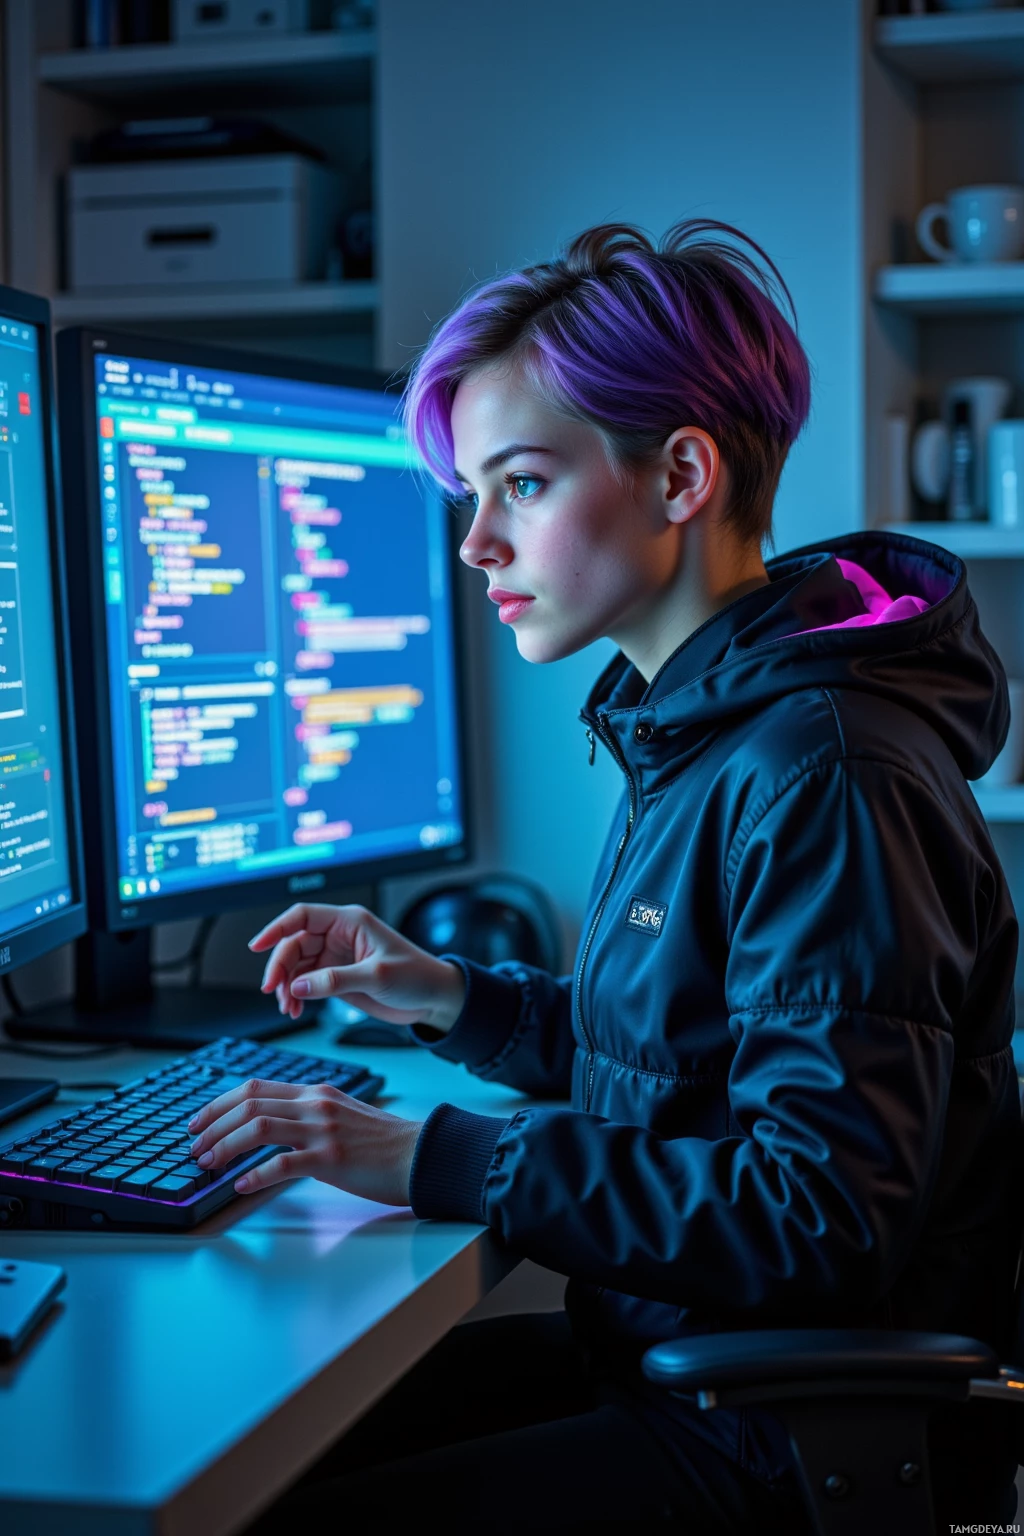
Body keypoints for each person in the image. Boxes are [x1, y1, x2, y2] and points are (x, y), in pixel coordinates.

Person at [192, 221, 1021, 1533]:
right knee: (247, 1466)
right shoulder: (704, 721)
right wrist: (452, 995)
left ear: (681, 474)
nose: (476, 544)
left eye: (520, 484)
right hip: (678, 1364)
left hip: (781, 1434)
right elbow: (686, 1058)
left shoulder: (826, 769)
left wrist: (436, 1157)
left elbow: (816, 1215)